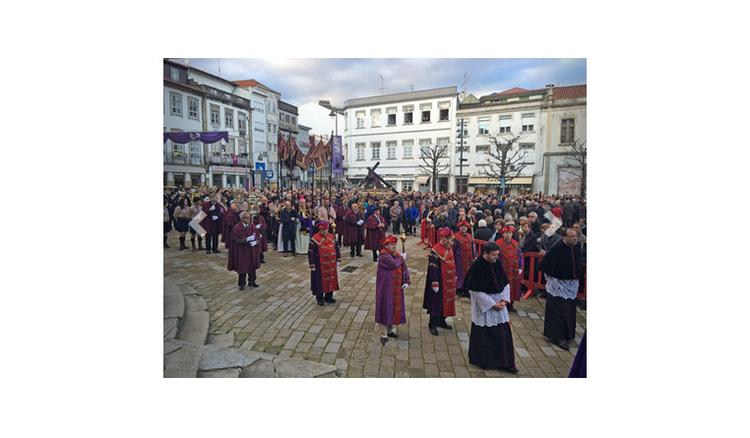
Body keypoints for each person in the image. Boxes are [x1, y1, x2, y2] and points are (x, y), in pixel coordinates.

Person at [463, 242, 518, 373]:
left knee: (503, 333)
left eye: (497, 255)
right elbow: (474, 290)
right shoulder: (477, 266)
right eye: (493, 255)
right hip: (485, 305)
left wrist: (504, 300)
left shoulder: (497, 262)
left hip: (500, 302)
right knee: (484, 334)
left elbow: (504, 282)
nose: (496, 257)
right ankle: (484, 361)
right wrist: (492, 304)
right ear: (485, 254)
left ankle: (506, 362)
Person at [539, 228, 583, 350]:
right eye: (572, 236)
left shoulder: (577, 246)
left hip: (572, 284)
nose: (575, 238)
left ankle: (569, 333)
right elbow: (546, 264)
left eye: (576, 236)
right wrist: (553, 279)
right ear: (565, 237)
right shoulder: (557, 248)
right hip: (558, 285)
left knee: (569, 310)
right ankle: (557, 336)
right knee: (559, 311)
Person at [375, 235, 410, 345]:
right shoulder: (384, 255)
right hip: (386, 287)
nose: (394, 246)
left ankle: (390, 330)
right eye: (391, 244)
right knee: (386, 306)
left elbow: (404, 268)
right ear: (385, 245)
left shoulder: (395, 254)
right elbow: (395, 264)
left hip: (396, 286)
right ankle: (383, 334)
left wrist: (406, 281)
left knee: (394, 307)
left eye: (395, 244)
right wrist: (402, 258)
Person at [423, 227, 457, 336]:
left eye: (450, 238)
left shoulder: (450, 247)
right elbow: (433, 268)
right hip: (439, 281)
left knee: (446, 301)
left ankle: (442, 320)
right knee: (436, 302)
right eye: (447, 239)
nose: (449, 241)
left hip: (449, 280)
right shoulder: (435, 250)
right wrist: (435, 282)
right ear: (442, 238)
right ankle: (432, 324)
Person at [308, 221, 341, 306]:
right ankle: (320, 298)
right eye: (322, 229)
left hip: (331, 265)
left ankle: (328, 296)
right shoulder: (314, 239)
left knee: (331, 280)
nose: (324, 231)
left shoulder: (332, 237)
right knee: (319, 282)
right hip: (319, 266)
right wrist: (312, 264)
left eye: (325, 229)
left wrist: (338, 259)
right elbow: (310, 252)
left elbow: (337, 248)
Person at [229, 211, 260, 290]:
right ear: (242, 219)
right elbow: (236, 240)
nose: (249, 219)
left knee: (252, 266)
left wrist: (255, 242)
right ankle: (242, 283)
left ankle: (252, 281)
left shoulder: (252, 226)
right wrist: (246, 239)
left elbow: (258, 236)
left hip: (252, 250)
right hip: (242, 251)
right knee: (243, 267)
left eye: (249, 217)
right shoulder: (236, 228)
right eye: (247, 218)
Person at [495, 225, 522, 312]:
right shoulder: (498, 244)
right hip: (503, 270)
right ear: (503, 234)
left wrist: (520, 266)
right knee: (503, 288)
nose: (508, 235)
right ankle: (503, 303)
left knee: (513, 287)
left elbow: (520, 255)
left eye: (510, 233)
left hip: (514, 270)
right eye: (506, 233)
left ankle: (511, 304)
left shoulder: (515, 243)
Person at [453, 220, 476, 298]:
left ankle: (466, 289)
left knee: (468, 274)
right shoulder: (456, 237)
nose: (463, 228)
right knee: (460, 274)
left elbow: (473, 248)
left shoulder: (470, 236)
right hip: (460, 259)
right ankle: (459, 289)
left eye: (465, 227)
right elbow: (453, 249)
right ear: (459, 227)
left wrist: (474, 256)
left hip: (469, 259)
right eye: (462, 227)